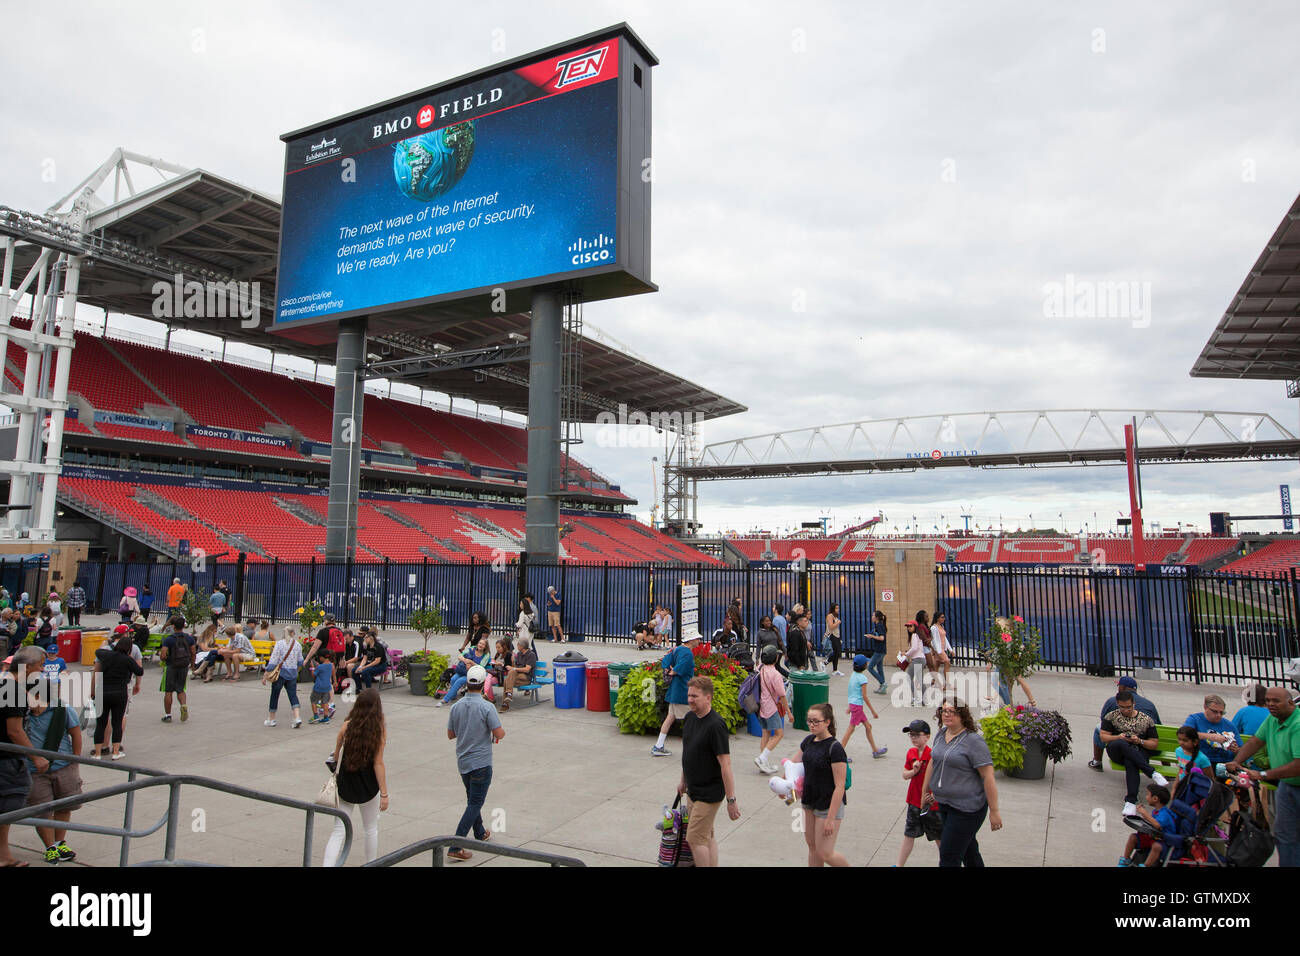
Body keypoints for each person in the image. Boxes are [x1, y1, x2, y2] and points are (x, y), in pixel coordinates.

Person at [920, 698, 1002, 867]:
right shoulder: (942, 734)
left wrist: (994, 811)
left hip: (967, 809)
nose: (947, 715)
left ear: (962, 715)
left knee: (949, 856)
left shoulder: (973, 741)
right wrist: (925, 791)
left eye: (952, 711)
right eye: (944, 711)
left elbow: (988, 776)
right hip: (945, 804)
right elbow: (933, 761)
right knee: (969, 852)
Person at [1226, 686, 1299, 867]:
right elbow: (1255, 741)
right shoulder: (1272, 719)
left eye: (1276, 701)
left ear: (1290, 703)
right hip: (1288, 786)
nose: (1271, 705)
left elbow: (1298, 766)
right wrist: (1237, 761)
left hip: (1293, 780)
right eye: (1268, 701)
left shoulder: (1297, 725)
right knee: (1284, 834)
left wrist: (1263, 774)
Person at [676, 676, 739, 867]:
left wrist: (731, 800)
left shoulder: (716, 725)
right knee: (706, 835)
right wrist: (683, 781)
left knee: (694, 839)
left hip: (709, 793)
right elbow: (688, 753)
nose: (690, 700)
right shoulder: (689, 718)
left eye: (695, 696)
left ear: (708, 697)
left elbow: (725, 765)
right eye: (689, 695)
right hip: (693, 791)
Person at [322, 688, 388, 866]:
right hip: (368, 785)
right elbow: (378, 763)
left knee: (339, 830)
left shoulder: (346, 726)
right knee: (371, 829)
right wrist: (384, 793)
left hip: (345, 782)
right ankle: (371, 863)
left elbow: (335, 756)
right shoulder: (379, 730)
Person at [446, 665, 505, 862]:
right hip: (481, 762)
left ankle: (480, 832)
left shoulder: (456, 707)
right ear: (482, 685)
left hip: (463, 761)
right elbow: (499, 733)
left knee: (472, 798)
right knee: (475, 802)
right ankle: (456, 844)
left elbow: (450, 734)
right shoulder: (487, 707)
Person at [23, 679, 84, 864]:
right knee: (42, 811)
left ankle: (59, 843)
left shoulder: (62, 709)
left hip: (63, 766)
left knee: (65, 806)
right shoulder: (22, 714)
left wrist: (75, 760)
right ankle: (50, 847)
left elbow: (75, 733)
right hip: (34, 771)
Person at [0, 646, 45, 867]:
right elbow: (14, 731)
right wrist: (36, 757)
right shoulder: (13, 691)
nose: (43, 670)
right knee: (9, 803)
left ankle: (4, 855)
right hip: (6, 760)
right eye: (40, 666)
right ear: (28, 668)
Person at [792, 702, 849, 866]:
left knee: (825, 853)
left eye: (816, 721)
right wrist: (785, 785)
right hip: (809, 801)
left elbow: (840, 785)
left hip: (828, 804)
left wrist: (831, 818)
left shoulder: (835, 748)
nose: (811, 724)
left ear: (827, 722)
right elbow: (794, 765)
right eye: (809, 720)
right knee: (813, 847)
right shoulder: (808, 741)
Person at [1100, 690, 1170, 816]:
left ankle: (1131, 802)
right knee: (1122, 743)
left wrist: (1139, 741)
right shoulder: (1111, 716)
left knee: (1131, 761)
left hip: (1138, 752)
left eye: (1129, 707)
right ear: (1117, 704)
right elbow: (1104, 737)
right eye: (1122, 707)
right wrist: (1118, 737)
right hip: (1117, 750)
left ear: (1134, 704)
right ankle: (1152, 772)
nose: (1126, 710)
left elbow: (1154, 743)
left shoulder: (1146, 719)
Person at [1089, 676, 1161, 771]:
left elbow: (1104, 721)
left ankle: (1097, 762)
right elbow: (1159, 726)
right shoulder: (1149, 704)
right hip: (1146, 743)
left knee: (1098, 728)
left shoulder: (1113, 701)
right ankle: (1166, 769)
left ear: (1122, 688)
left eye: (1119, 686)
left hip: (1124, 743)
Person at [89, 631, 142, 760]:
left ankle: (97, 753)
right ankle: (116, 752)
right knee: (117, 722)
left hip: (103, 691)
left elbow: (98, 652)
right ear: (129, 649)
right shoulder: (127, 660)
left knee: (100, 723)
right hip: (119, 693)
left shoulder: (106, 655)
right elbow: (140, 671)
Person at [898, 719, 941, 867]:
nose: (913, 738)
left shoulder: (933, 754)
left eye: (917, 735)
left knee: (938, 836)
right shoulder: (911, 753)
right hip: (913, 801)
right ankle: (899, 865)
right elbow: (905, 775)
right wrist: (914, 770)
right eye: (911, 735)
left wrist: (934, 794)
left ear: (927, 736)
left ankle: (947, 862)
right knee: (909, 834)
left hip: (930, 804)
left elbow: (939, 777)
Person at [652, 629, 699, 756]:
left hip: (675, 690)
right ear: (691, 640)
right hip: (683, 691)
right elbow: (681, 668)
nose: (699, 641)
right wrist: (674, 671)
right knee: (692, 720)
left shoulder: (677, 649)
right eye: (697, 639)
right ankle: (693, 750)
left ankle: (659, 745)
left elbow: (666, 660)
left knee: (670, 717)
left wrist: (670, 671)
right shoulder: (688, 654)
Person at [1118, 783, 1175, 867]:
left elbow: (1157, 825)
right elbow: (1151, 823)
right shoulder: (1156, 811)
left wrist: (1145, 814)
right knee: (1133, 837)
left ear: (1155, 799)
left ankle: (1146, 865)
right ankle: (1126, 860)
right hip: (1154, 837)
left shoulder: (1164, 813)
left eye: (1148, 794)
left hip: (1164, 841)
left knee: (1156, 847)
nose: (1146, 797)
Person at [753, 645, 790, 774]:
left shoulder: (760, 668)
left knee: (766, 733)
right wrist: (789, 713)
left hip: (761, 706)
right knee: (779, 734)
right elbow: (782, 695)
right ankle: (762, 758)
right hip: (770, 708)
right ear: (775, 658)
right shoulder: (775, 674)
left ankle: (764, 763)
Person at [842, 654, 886, 758]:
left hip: (855, 706)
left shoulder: (853, 675)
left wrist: (850, 707)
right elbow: (864, 696)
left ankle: (875, 750)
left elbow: (852, 691)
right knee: (850, 730)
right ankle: (838, 755)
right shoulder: (862, 678)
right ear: (864, 665)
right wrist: (873, 711)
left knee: (868, 727)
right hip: (857, 707)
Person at [262, 628, 304, 728]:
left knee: (275, 694)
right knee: (293, 695)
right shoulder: (297, 644)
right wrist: (296, 670)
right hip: (292, 673)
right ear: (293, 633)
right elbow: (300, 661)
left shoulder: (279, 644)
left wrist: (266, 673)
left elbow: (274, 660)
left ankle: (272, 719)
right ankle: (297, 717)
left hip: (281, 673)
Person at [1184, 694, 1240, 768]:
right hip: (1203, 761)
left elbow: (1241, 749)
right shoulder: (1195, 719)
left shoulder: (1229, 725)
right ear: (1205, 707)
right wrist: (1210, 737)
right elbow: (1185, 734)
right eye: (1215, 711)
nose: (1218, 715)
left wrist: (1236, 750)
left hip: (1225, 763)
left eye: (1221, 712)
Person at [159, 616, 196, 723]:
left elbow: (163, 655)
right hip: (184, 666)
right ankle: (183, 705)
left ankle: (168, 715)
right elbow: (193, 652)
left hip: (171, 666)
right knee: (181, 689)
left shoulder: (169, 639)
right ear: (184, 626)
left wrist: (165, 658)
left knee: (168, 691)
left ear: (173, 626)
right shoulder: (189, 638)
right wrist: (192, 665)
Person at [441, 637, 490, 707]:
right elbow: (460, 655)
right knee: (453, 679)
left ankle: (445, 699)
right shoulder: (472, 648)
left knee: (459, 681)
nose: (480, 645)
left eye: (483, 644)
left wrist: (471, 662)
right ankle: (453, 696)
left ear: (486, 647)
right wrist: (465, 661)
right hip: (463, 670)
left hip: (473, 674)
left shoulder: (486, 655)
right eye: (480, 643)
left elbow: (481, 667)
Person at [499, 637, 537, 712]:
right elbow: (515, 667)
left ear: (522, 646)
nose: (517, 645)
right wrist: (513, 662)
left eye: (518, 644)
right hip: (516, 677)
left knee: (509, 677)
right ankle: (507, 700)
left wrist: (514, 669)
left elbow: (527, 669)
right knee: (507, 679)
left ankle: (507, 701)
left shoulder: (531, 655)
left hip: (526, 678)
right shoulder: (519, 654)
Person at [903, 620, 927, 707]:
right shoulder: (918, 636)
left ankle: (916, 699)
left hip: (917, 659)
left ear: (915, 627)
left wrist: (906, 654)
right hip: (921, 659)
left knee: (909, 677)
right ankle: (924, 700)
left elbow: (914, 648)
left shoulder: (914, 635)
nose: (909, 628)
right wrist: (908, 652)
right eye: (908, 626)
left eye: (910, 626)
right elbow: (914, 648)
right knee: (920, 680)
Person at [867, 610, 888, 694]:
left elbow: (882, 638)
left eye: (873, 615)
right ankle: (882, 687)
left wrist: (872, 636)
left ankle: (883, 683)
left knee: (870, 667)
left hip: (879, 650)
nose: (872, 617)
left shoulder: (879, 626)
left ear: (876, 618)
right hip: (881, 650)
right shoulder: (879, 625)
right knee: (879, 668)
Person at [310, 653, 335, 723]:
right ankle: (326, 717)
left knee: (313, 701)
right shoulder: (331, 665)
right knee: (325, 702)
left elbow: (313, 675)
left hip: (318, 686)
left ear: (322, 657)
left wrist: (312, 667)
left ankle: (315, 716)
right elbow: (333, 673)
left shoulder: (320, 667)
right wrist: (335, 681)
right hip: (327, 687)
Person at [931, 611, 953, 687]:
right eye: (942, 617)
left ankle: (934, 680)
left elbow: (945, 638)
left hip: (942, 649)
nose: (944, 618)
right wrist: (939, 651)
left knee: (936, 665)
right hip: (939, 650)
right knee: (947, 661)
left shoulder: (941, 626)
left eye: (944, 617)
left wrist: (951, 650)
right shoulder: (934, 628)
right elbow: (934, 640)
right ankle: (947, 683)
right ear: (937, 618)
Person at [825, 604, 843, 675]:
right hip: (832, 635)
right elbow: (831, 627)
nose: (838, 610)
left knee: (837, 653)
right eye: (836, 608)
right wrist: (838, 622)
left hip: (837, 636)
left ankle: (835, 670)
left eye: (838, 608)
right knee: (837, 652)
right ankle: (825, 662)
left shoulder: (835, 616)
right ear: (833, 609)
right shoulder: (830, 616)